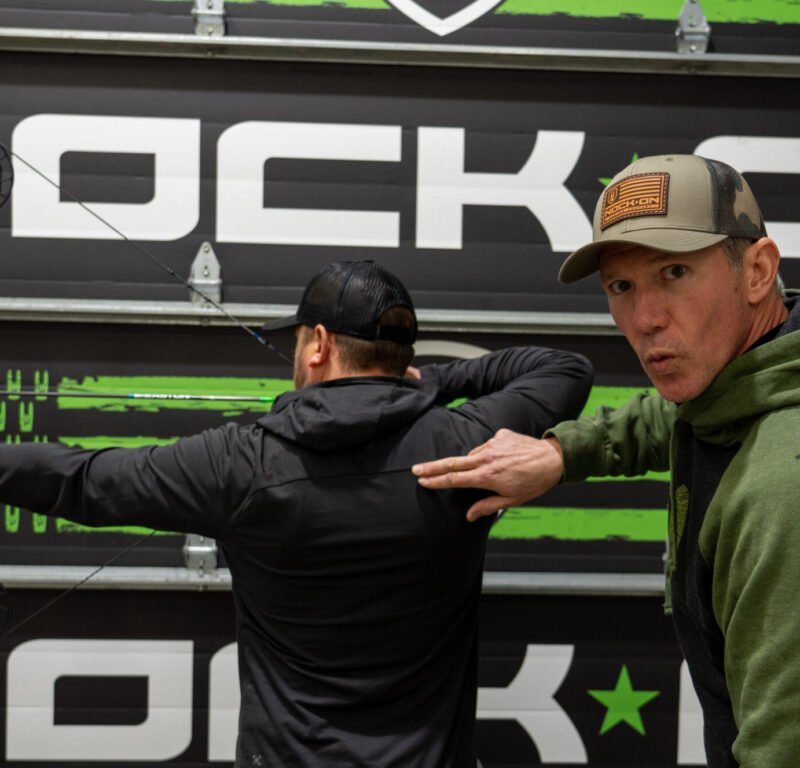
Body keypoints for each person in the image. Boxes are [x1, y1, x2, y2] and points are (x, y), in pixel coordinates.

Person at [0, 259, 593, 768]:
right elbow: (565, 369)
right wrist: (423, 383)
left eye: (298, 340)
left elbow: (74, 477)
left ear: (320, 345)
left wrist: (403, 385)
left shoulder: (240, 464)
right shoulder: (465, 445)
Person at [412, 154, 800, 768]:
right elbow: (670, 416)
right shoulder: (748, 375)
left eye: (674, 272)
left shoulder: (783, 491)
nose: (645, 319)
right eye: (622, 287)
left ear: (756, 271)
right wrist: (558, 453)